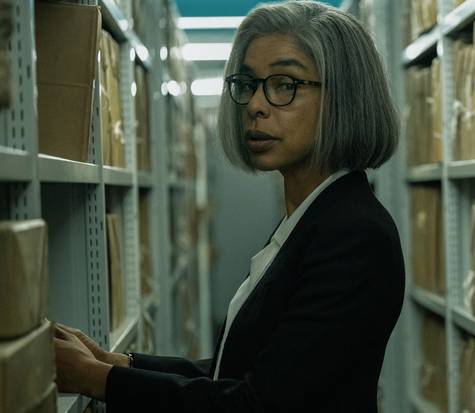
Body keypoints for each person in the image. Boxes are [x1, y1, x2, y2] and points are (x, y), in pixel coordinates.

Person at [53, 2, 405, 411]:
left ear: (344, 97)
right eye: (248, 83)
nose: (256, 104)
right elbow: (243, 369)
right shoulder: (312, 216)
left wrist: (101, 380)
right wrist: (118, 362)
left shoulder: (354, 235)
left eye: (284, 84)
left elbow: (259, 404)